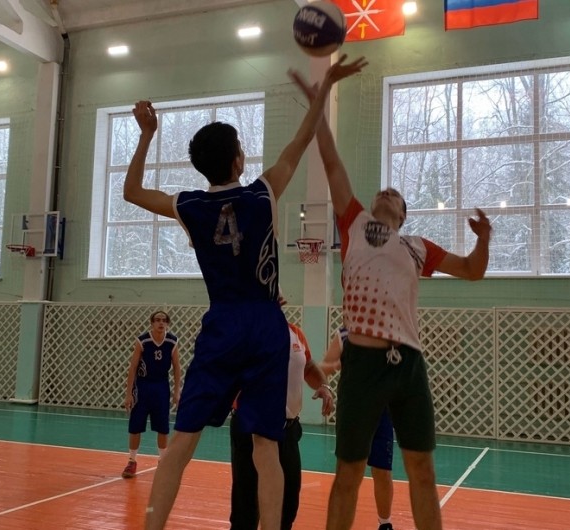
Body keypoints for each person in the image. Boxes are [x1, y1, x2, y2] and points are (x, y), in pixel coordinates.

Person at [122, 54, 367, 530]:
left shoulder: (190, 206)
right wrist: (323, 91)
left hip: (223, 323)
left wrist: (147, 135)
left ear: (202, 167)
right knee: (265, 446)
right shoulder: (262, 193)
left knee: (183, 441)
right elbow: (299, 143)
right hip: (265, 323)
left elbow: (132, 191)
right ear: (238, 159)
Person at [292, 76, 491, 530]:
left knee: (422, 470)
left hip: (409, 365)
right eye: (381, 190)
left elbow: (472, 270)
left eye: (394, 195)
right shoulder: (354, 223)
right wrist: (318, 104)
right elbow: (331, 159)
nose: (385, 193)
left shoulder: (418, 247)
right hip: (363, 365)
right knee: (349, 474)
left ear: (402, 215)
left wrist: (484, 240)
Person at [230, 296, 334, 530]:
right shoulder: (245, 333)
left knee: (288, 499)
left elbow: (308, 366)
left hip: (287, 430)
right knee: (246, 502)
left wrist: (323, 385)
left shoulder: (295, 333)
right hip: (251, 427)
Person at [320, 327, 394, 530]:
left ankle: (385, 523)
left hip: (382, 411)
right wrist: (332, 369)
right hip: (352, 413)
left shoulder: (389, 334)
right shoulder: (345, 335)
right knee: (348, 473)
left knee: (383, 471)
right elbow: (323, 367)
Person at [121, 310, 181, 478]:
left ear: (167, 323)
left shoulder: (172, 341)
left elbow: (177, 367)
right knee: (136, 425)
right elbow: (133, 367)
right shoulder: (143, 341)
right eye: (157, 320)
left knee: (162, 426)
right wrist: (128, 394)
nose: (161, 323)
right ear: (152, 323)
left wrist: (177, 391)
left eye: (164, 320)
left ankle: (163, 461)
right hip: (143, 385)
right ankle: (132, 461)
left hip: (161, 386)